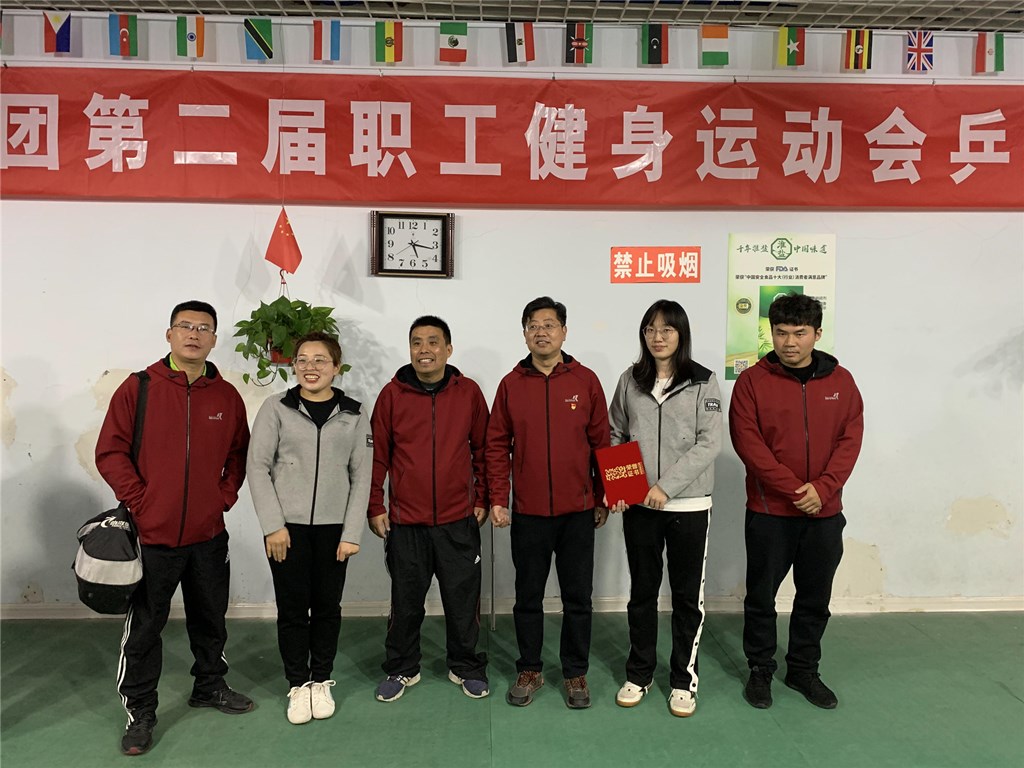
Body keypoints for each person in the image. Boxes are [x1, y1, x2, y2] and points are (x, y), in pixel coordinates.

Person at [95, 300, 252, 757]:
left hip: (208, 535)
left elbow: (238, 455)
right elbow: (110, 452)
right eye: (185, 326)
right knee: (146, 627)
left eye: (204, 328)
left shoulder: (226, 396)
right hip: (152, 537)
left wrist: (221, 499)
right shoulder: (139, 387)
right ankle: (140, 711)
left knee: (211, 617)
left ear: (214, 339)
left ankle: (210, 685)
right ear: (169, 334)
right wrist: (142, 503)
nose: (194, 334)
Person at [729, 293, 863, 711]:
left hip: (825, 513)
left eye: (799, 333)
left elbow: (850, 440)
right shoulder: (751, 382)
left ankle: (803, 670)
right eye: (781, 332)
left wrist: (823, 489)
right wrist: (795, 490)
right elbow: (749, 444)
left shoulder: (842, 383)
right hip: (770, 512)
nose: (789, 342)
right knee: (761, 598)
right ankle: (760, 669)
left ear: (817, 334)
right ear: (771, 333)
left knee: (814, 599)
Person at [487, 296, 610, 710]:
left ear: (564, 331)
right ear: (524, 334)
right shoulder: (510, 384)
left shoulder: (586, 381)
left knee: (578, 598)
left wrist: (604, 495)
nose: (541, 332)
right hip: (529, 513)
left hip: (578, 512)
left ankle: (575, 672)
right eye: (533, 325)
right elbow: (496, 445)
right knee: (528, 597)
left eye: (549, 324)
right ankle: (530, 668)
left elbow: (602, 442)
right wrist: (498, 498)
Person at [247, 332, 372, 725]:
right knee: (292, 608)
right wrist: (273, 526)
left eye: (320, 360)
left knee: (327, 608)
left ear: (336, 367)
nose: (310, 367)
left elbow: (362, 476)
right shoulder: (276, 407)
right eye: (302, 359)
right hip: (287, 531)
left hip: (334, 531)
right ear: (294, 366)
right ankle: (298, 684)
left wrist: (351, 533)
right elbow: (257, 467)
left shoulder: (354, 413)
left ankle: (321, 679)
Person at [607, 300, 722, 717]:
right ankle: (639, 673)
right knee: (642, 593)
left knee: (687, 597)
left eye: (667, 329)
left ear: (681, 334)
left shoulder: (703, 381)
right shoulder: (630, 380)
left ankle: (682, 681)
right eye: (650, 329)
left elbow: (709, 443)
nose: (658, 337)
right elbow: (616, 432)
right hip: (640, 508)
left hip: (689, 506)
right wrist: (622, 487)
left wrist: (665, 488)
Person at [367, 316, 490, 703]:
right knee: (405, 604)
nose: (424, 349)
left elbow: (483, 450)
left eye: (433, 342)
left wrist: (483, 498)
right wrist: (375, 504)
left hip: (458, 520)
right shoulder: (392, 395)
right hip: (406, 522)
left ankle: (465, 665)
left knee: (462, 602)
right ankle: (402, 667)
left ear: (448, 349)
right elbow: (378, 455)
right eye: (417, 342)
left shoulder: (469, 393)